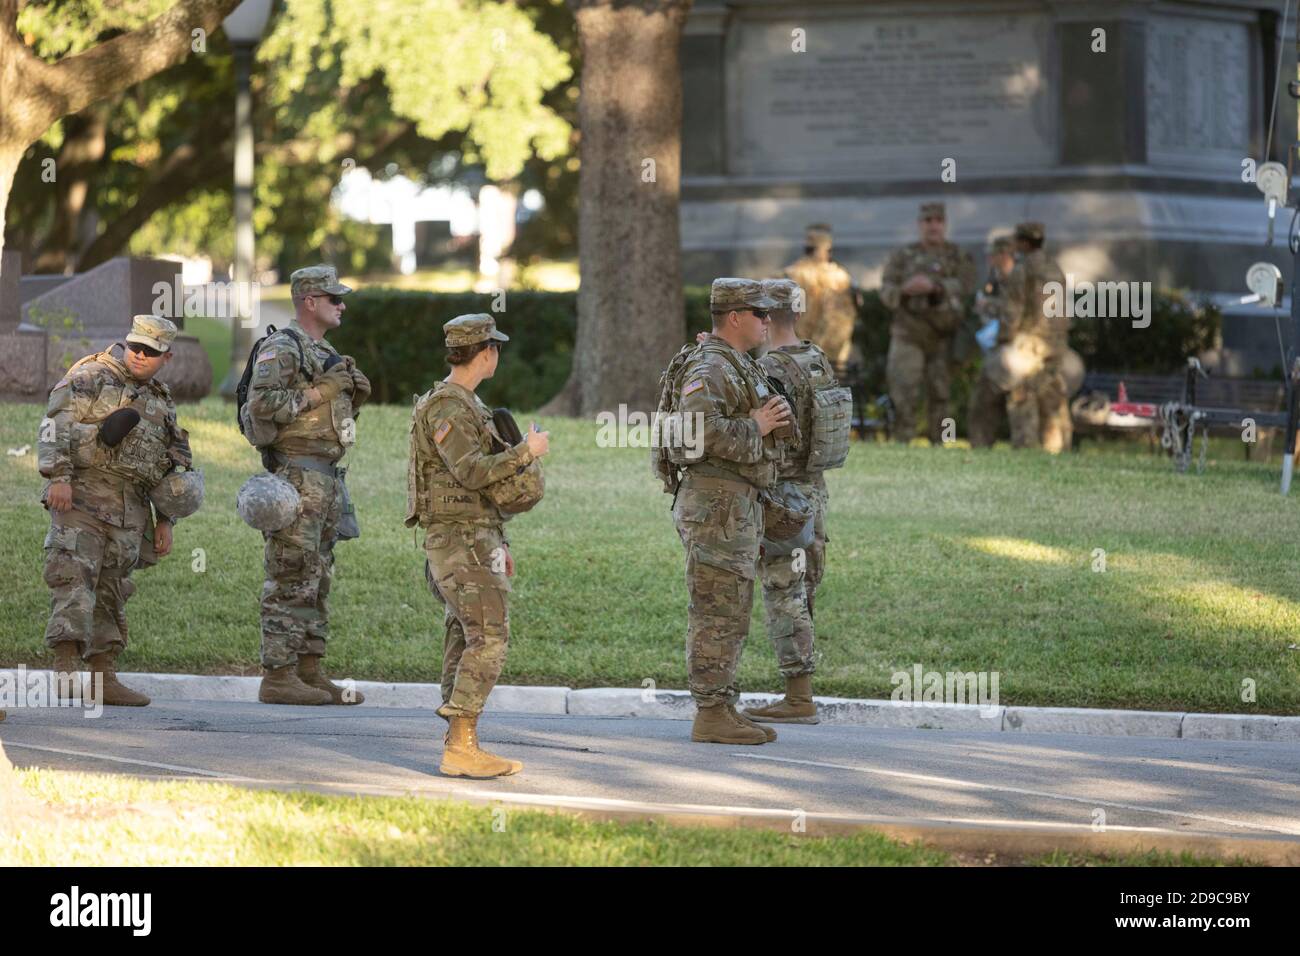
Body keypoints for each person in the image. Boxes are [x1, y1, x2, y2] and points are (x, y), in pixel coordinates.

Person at [406, 313, 549, 778]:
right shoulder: (449, 406)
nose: (497, 356)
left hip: (472, 536)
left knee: (467, 635)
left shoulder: (465, 404)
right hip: (458, 541)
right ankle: (461, 745)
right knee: (488, 637)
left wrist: (498, 539)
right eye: (495, 348)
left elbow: (475, 488)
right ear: (484, 352)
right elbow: (471, 471)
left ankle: (460, 741)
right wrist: (527, 450)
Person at [37, 314, 196, 706]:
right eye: (135, 347)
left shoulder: (161, 399)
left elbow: (170, 460)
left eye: (151, 351)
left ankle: (103, 674)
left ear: (167, 356)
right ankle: (67, 668)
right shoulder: (91, 376)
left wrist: (166, 520)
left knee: (113, 591)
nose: (140, 356)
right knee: (74, 578)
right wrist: (58, 477)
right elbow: (54, 425)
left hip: (130, 511)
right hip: (83, 499)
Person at [670, 278, 795, 745]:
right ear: (736, 317)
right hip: (715, 506)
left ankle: (722, 705)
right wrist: (756, 425)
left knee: (732, 608)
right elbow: (696, 434)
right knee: (715, 610)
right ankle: (710, 713)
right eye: (759, 314)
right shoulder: (711, 365)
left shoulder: (735, 363)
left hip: (735, 504)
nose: (768, 321)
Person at [245, 264, 370, 705]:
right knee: (290, 573)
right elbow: (262, 404)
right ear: (310, 302)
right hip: (296, 476)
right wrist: (322, 393)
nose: (342, 305)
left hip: (326, 477)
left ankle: (309, 670)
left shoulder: (324, 351)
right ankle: (278, 675)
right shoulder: (282, 347)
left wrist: (353, 397)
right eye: (334, 298)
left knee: (317, 576)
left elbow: (330, 421)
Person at [743, 278, 840, 725]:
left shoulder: (773, 370)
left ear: (764, 317)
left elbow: (764, 439)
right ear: (796, 313)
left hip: (783, 497)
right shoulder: (816, 358)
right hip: (815, 491)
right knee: (805, 587)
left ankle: (798, 698)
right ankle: (801, 690)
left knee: (784, 591)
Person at [880, 202, 976, 443]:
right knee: (903, 391)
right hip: (908, 334)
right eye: (928, 221)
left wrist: (936, 287)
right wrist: (905, 289)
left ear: (944, 224)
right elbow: (886, 290)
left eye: (938, 221)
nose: (933, 226)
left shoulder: (958, 255)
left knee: (941, 395)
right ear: (919, 224)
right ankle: (902, 445)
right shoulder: (902, 255)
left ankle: (940, 445)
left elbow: (966, 285)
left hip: (943, 336)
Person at [1003, 222, 1073, 452]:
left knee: (1022, 394)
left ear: (1024, 243)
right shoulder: (1055, 269)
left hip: (1031, 344)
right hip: (1056, 344)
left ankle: (1025, 448)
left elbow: (1013, 310)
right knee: (1052, 396)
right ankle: (1058, 448)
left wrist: (1004, 339)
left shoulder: (1022, 270)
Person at [783, 224, 858, 369]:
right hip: (828, 359)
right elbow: (841, 323)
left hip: (795, 356)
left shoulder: (790, 275)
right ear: (827, 248)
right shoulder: (840, 278)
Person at [967, 236, 1017, 448]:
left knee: (1019, 405)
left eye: (997, 255)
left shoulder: (1020, 280)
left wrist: (990, 305)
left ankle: (1028, 450)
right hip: (996, 352)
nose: (992, 260)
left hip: (1019, 354)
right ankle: (980, 447)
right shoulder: (993, 281)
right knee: (982, 404)